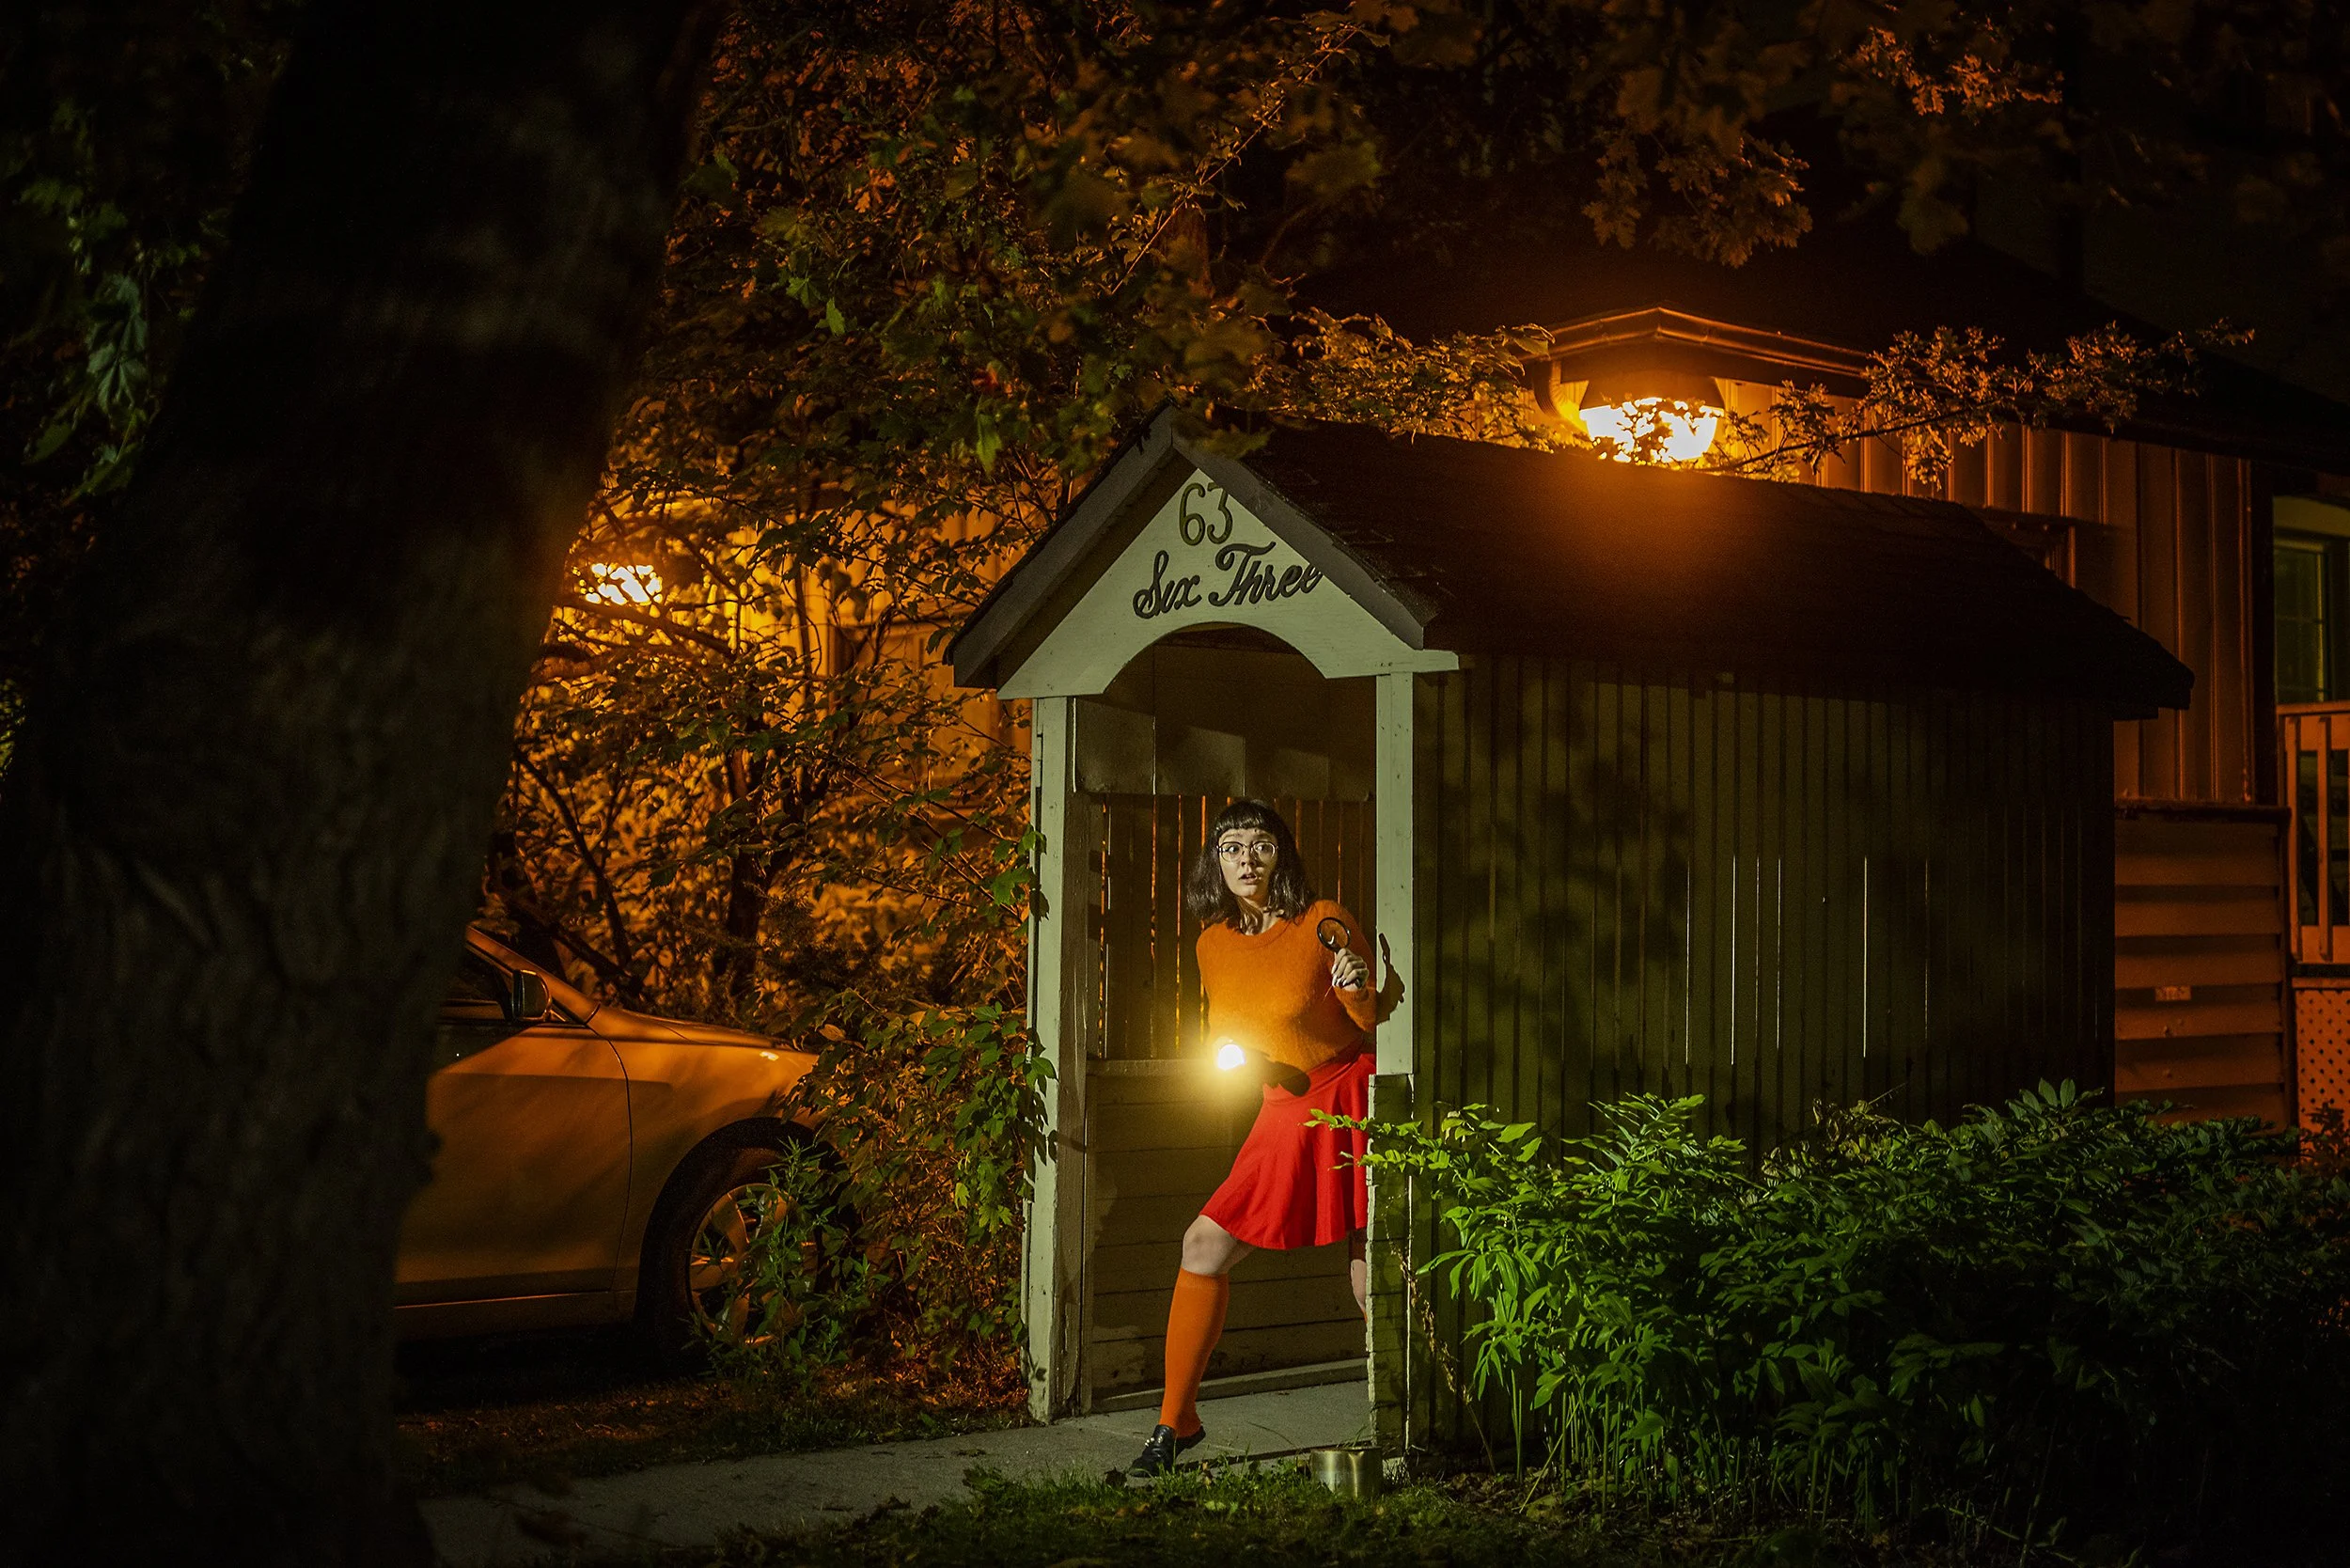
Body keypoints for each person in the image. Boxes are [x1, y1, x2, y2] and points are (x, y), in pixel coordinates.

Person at [1129, 799, 1377, 1478]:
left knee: (1371, 1274)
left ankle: (1412, 1419)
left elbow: (1371, 1007)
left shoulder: (1320, 919)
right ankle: (1176, 1423)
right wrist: (1230, 1054)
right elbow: (1220, 1028)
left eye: (1260, 845)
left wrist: (1358, 988)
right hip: (1282, 1100)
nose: (1246, 859)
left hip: (1350, 1090)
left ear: (1281, 855)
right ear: (1216, 861)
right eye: (1232, 846)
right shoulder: (1213, 941)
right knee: (1202, 1245)